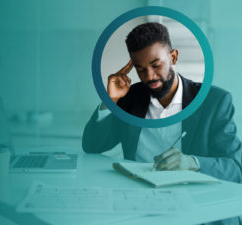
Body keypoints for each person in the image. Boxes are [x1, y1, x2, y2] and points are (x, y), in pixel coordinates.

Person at [83, 22, 242, 225]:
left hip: (200, 210)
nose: (150, 77)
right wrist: (110, 102)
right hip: (142, 209)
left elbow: (236, 168)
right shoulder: (129, 98)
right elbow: (92, 145)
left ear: (173, 57)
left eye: (156, 65)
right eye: (141, 70)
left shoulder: (214, 101)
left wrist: (192, 163)